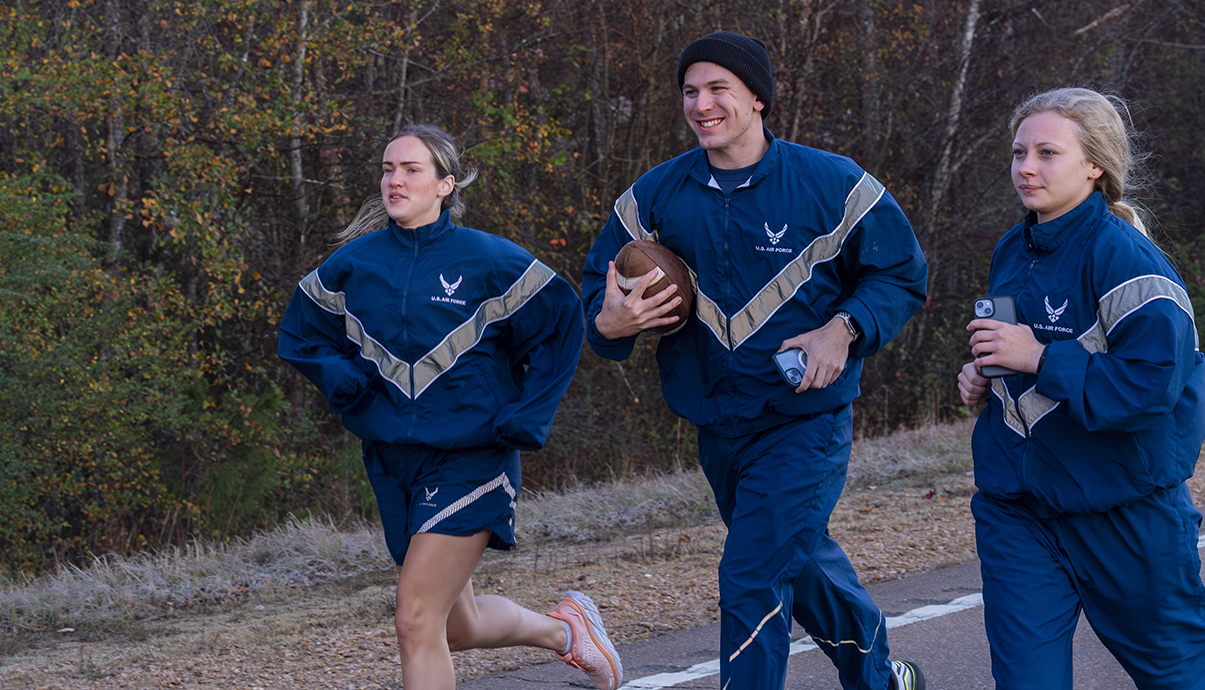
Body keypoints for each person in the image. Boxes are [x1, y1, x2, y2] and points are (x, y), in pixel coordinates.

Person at [582, 31, 929, 690]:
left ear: (758, 98)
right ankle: (883, 679)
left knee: (751, 574)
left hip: (805, 421)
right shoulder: (654, 199)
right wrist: (610, 322)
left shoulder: (833, 184)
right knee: (796, 565)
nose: (702, 103)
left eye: (719, 89)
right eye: (691, 91)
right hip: (719, 423)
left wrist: (844, 328)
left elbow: (901, 275)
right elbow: (594, 306)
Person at [278, 124, 623, 690]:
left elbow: (564, 325)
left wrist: (526, 415)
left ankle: (569, 630)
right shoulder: (352, 265)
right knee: (452, 628)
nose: (395, 180)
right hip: (393, 461)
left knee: (415, 619)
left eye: (411, 169)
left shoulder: (491, 261)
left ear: (446, 183)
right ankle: (568, 631)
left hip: (471, 458)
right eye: (388, 169)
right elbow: (301, 335)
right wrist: (342, 378)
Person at [958, 87, 1205, 690]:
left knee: (1182, 675)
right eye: (1019, 151)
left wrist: (1037, 356)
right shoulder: (1012, 246)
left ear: (1094, 164)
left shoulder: (1130, 261)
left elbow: (1151, 389)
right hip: (1018, 513)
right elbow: (1011, 352)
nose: (1026, 167)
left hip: (1124, 513)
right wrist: (984, 373)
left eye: (1047, 152)